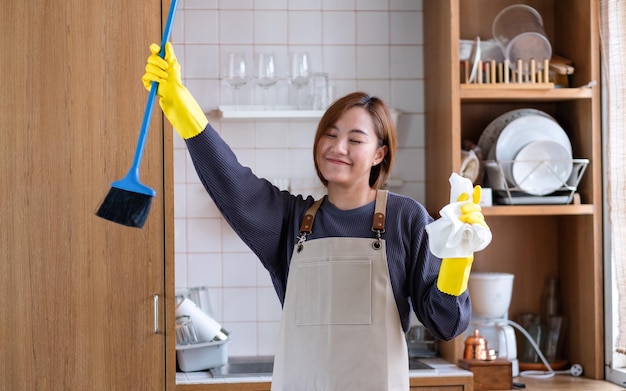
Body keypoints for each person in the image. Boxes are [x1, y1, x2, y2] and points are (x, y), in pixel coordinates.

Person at [143, 42, 489, 391]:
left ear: (379, 154)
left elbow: (445, 325)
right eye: (330, 133)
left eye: (355, 140)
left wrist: (458, 257)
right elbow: (234, 184)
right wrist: (183, 109)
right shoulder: (290, 221)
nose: (338, 147)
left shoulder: (406, 218)